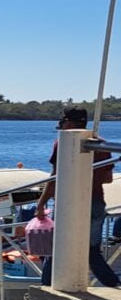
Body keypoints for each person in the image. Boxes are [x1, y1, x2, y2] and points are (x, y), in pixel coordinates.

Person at [35, 107, 119, 288]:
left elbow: (54, 177)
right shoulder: (102, 144)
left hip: (70, 204)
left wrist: (41, 204)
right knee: (91, 251)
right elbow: (108, 178)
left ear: (69, 122)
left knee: (56, 249)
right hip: (96, 202)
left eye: (64, 122)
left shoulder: (63, 143)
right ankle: (114, 285)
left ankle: (47, 289)